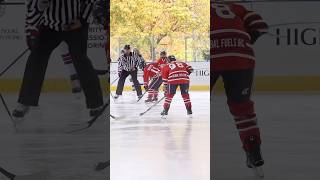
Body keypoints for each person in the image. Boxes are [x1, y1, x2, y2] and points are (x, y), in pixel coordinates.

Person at [12, 0, 104, 120]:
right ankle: (25, 101)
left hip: (75, 26)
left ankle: (96, 104)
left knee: (80, 59)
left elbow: (90, 2)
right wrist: (39, 10)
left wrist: (81, 20)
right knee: (36, 58)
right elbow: (33, 8)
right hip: (51, 26)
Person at [211, 1, 268, 172]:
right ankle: (254, 151)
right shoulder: (234, 6)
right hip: (241, 55)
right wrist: (243, 40)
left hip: (211, 52)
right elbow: (260, 26)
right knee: (242, 108)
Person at [25, 0, 82, 94]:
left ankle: (74, 77)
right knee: (37, 59)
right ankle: (27, 98)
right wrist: (30, 30)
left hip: (64, 22)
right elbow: (30, 13)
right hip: (46, 24)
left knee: (67, 49)